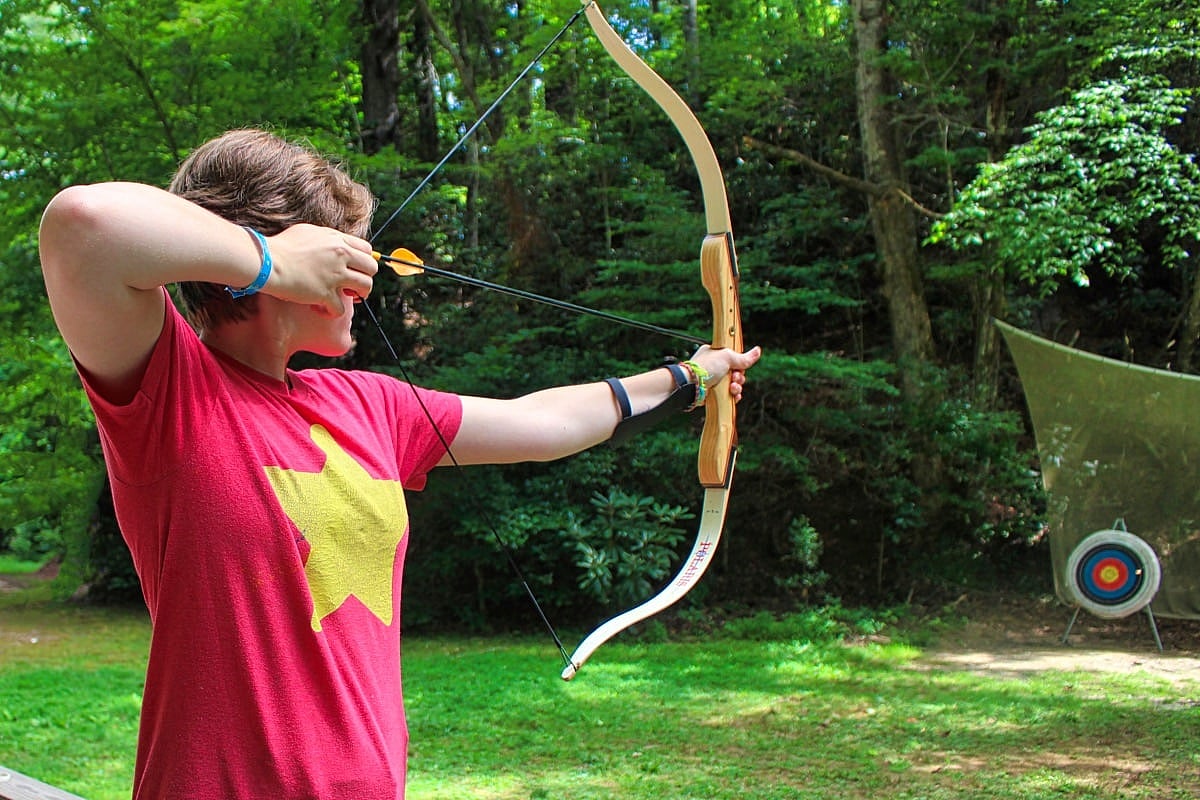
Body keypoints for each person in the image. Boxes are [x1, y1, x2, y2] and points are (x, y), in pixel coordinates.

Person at [38, 128, 761, 800]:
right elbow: (81, 227)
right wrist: (271, 259)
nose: (366, 279)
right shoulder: (173, 392)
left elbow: (543, 423)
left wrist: (691, 378)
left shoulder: (369, 406)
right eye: (349, 255)